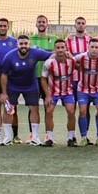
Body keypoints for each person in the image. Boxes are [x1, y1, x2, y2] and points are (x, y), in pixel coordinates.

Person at [0, 35, 51, 145]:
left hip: (31, 85)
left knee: (34, 109)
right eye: (21, 44)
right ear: (17, 44)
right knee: (9, 110)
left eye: (26, 44)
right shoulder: (9, 56)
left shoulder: (35, 52)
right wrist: (4, 93)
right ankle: (8, 137)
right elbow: (3, 75)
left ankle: (35, 137)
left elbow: (52, 55)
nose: (23, 46)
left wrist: (65, 54)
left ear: (29, 44)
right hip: (13, 86)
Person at [40, 39, 77, 147]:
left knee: (71, 112)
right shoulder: (49, 63)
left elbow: (79, 69)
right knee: (49, 111)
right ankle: (49, 138)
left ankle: (71, 138)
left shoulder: (72, 61)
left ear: (66, 49)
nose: (60, 50)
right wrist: (47, 95)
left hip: (67, 91)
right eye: (58, 48)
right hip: (53, 92)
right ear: (54, 49)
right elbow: (43, 79)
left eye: (62, 47)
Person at [74, 39, 98, 146]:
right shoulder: (81, 57)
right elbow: (71, 61)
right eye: (92, 47)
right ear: (88, 47)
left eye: (96, 47)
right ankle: (84, 137)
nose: (94, 50)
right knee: (83, 111)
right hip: (83, 89)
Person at [29, 15, 57, 143]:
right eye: (39, 22)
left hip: (48, 78)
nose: (41, 24)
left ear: (47, 24)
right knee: (33, 107)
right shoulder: (30, 40)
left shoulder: (54, 39)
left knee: (48, 106)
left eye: (43, 22)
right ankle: (32, 135)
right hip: (33, 77)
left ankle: (48, 135)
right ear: (36, 24)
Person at [0, 18, 19, 143]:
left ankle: (15, 136)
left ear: (8, 27)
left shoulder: (14, 42)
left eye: (5, 26)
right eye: (0, 25)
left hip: (10, 79)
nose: (2, 28)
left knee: (12, 107)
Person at [66, 16, 92, 141]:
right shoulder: (69, 40)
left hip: (86, 79)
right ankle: (72, 135)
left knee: (85, 108)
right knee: (72, 108)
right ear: (75, 25)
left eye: (83, 23)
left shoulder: (91, 40)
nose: (81, 25)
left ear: (85, 26)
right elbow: (67, 55)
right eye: (78, 23)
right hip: (72, 78)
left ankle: (84, 135)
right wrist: (76, 64)